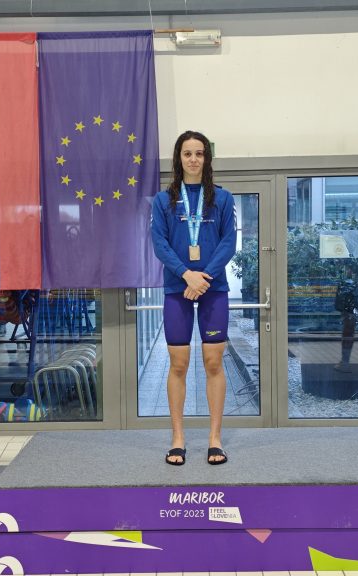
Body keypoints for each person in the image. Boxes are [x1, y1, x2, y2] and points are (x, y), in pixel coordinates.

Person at [151, 131, 237, 466]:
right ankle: (178, 439)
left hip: (213, 288)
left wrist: (204, 278)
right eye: (187, 153)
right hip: (178, 288)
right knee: (178, 364)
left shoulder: (223, 199)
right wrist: (186, 275)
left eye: (199, 153)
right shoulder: (163, 201)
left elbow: (228, 242)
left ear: (207, 159)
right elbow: (160, 243)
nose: (193, 159)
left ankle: (215, 439)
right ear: (179, 158)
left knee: (213, 363)